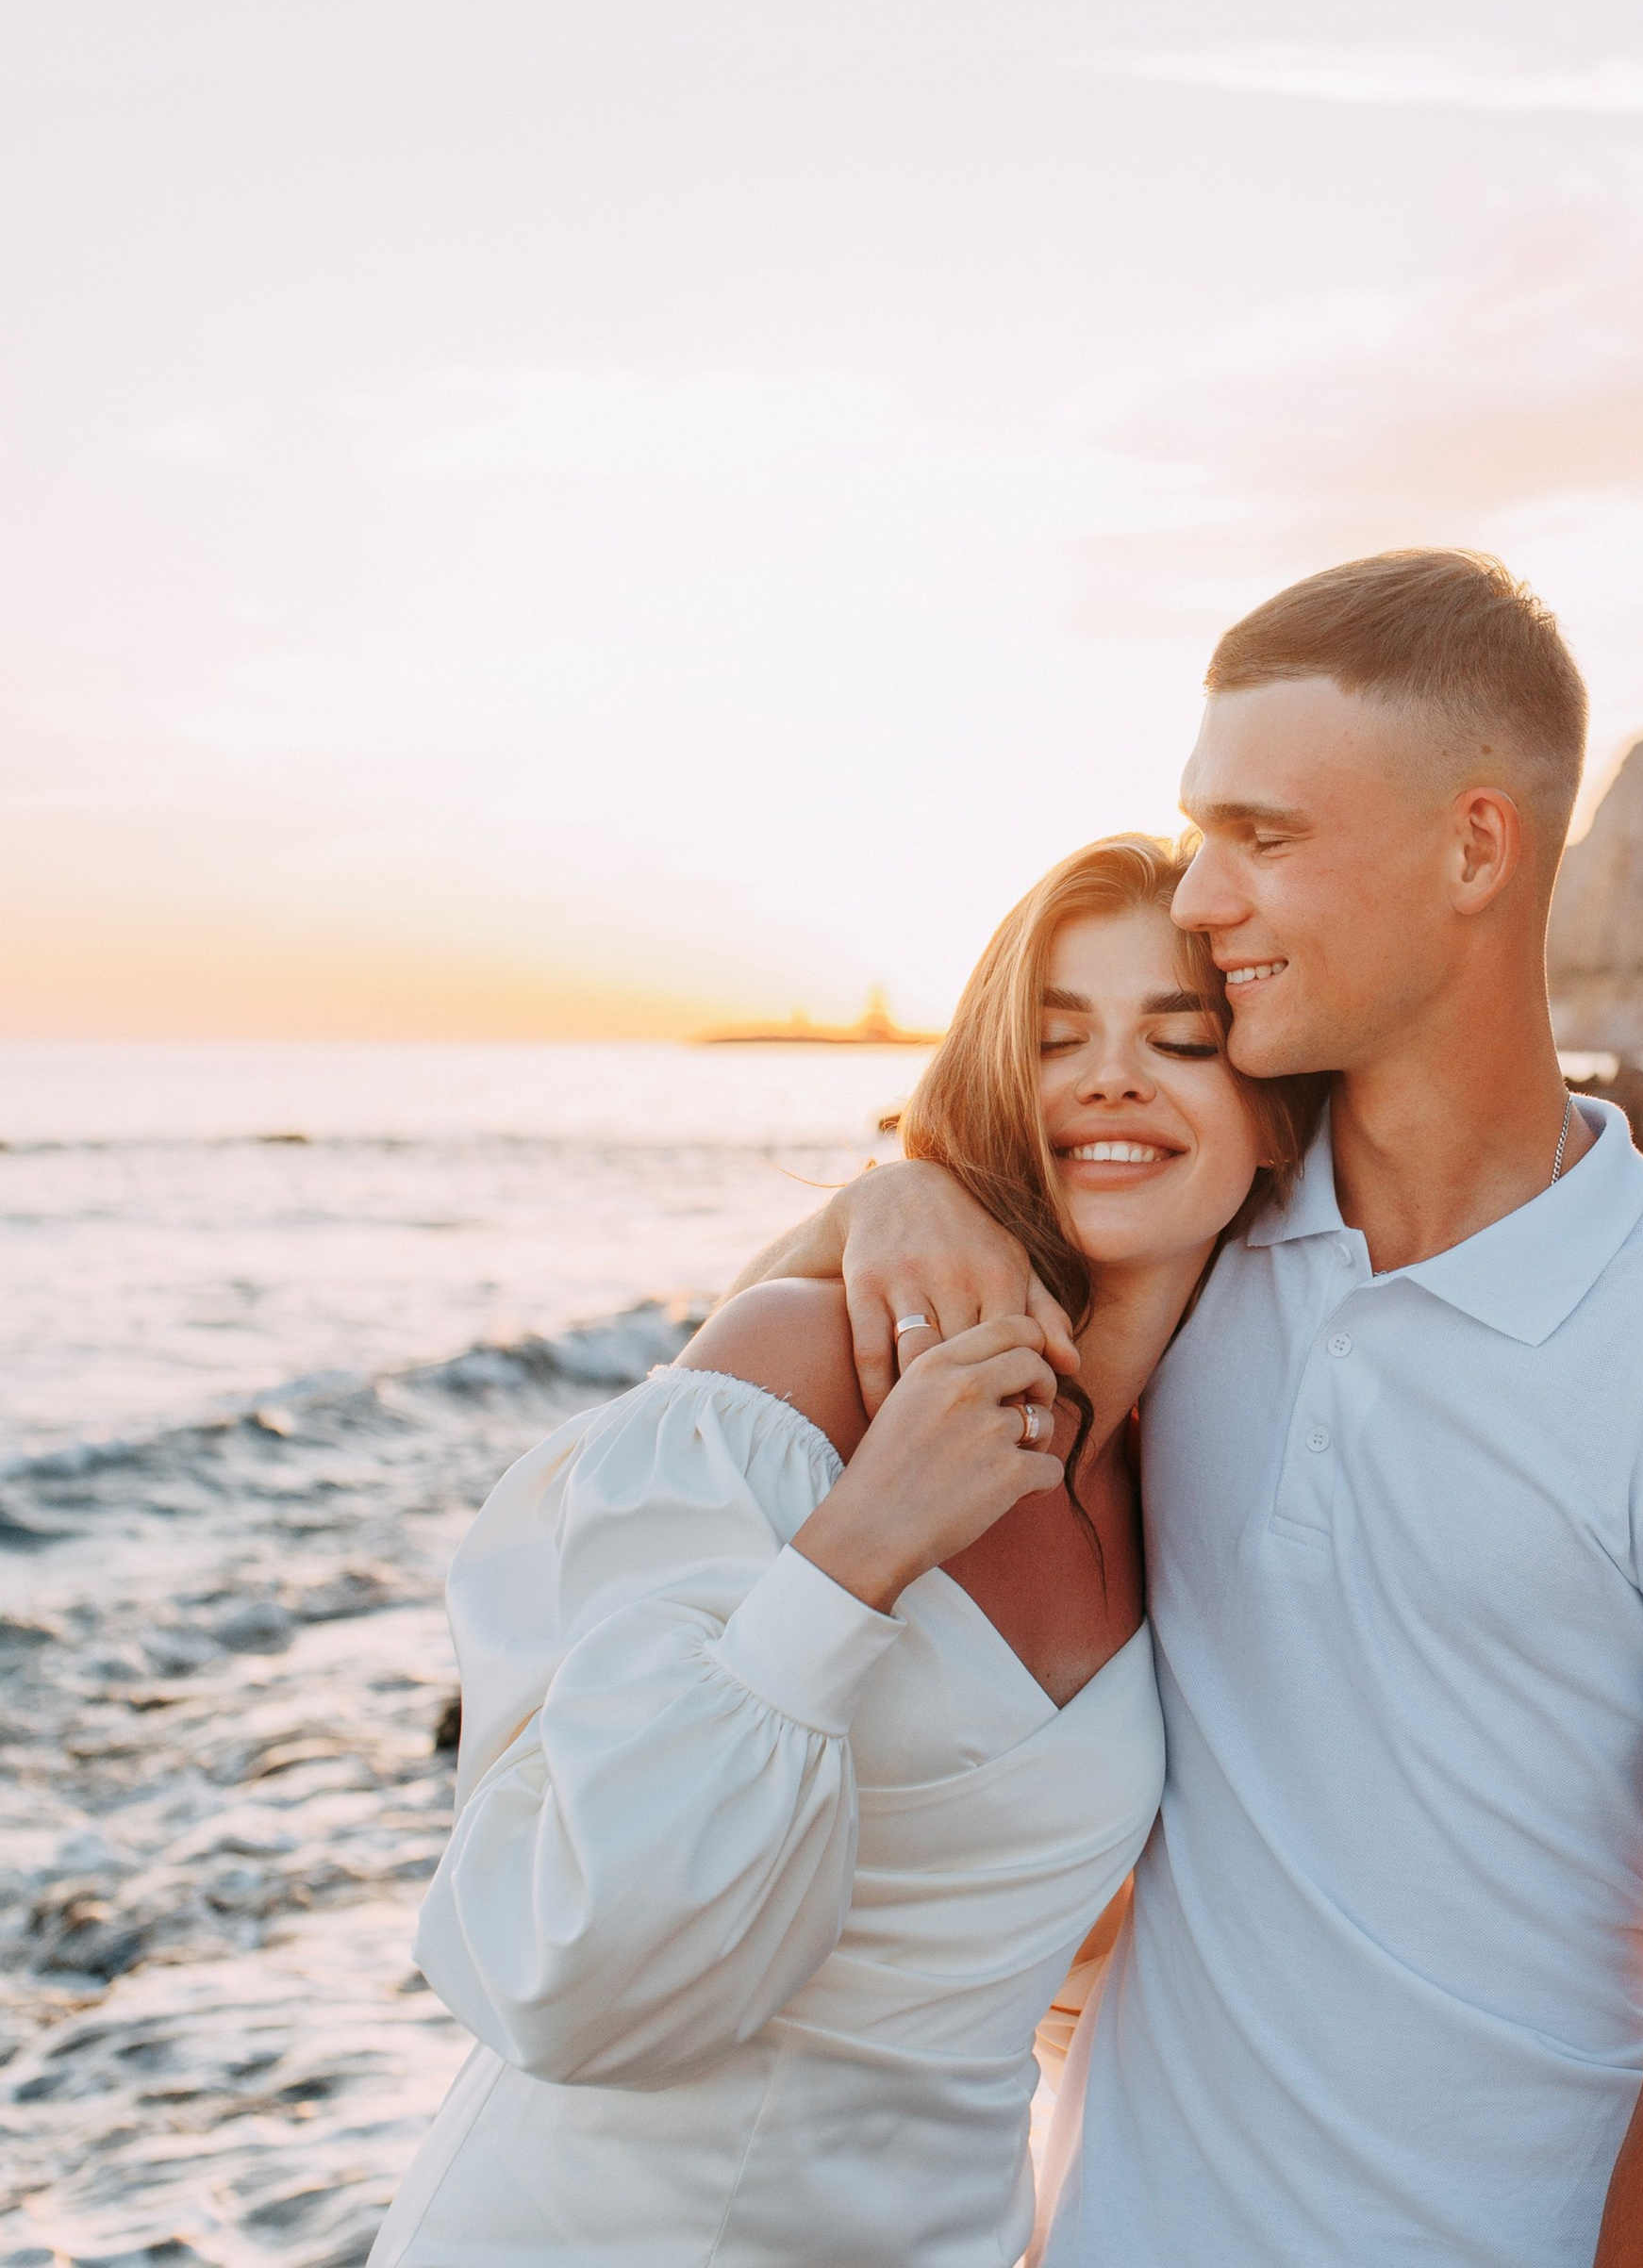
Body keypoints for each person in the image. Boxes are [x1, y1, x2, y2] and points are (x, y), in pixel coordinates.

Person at [744, 550, 1643, 2268]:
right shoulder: (1194, 1252)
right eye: (1200, 833)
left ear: (1475, 849)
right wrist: (897, 1193)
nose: (1203, 899)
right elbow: (767, 1367)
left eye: (1264, 839)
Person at [369, 835, 1319, 2268]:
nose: (1111, 1077)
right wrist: (857, 1553)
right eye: (1055, 1039)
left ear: (1275, 1125)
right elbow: (565, 1972)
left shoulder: (1194, 1466)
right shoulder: (802, 1368)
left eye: (1179, 1040)